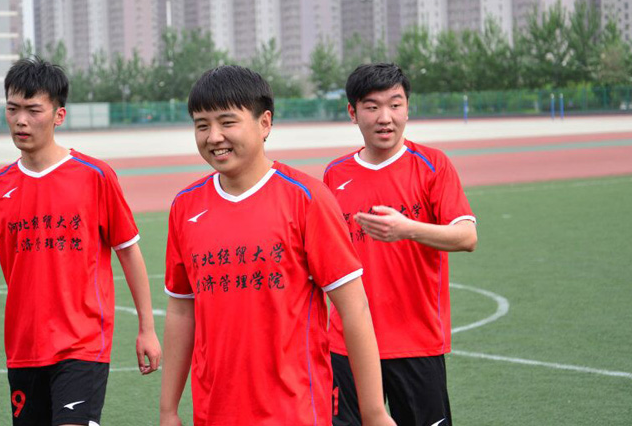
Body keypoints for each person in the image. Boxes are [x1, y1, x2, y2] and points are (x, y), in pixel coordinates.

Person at [159, 65, 395, 426]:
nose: (214, 136)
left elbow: (354, 309)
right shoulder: (185, 206)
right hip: (214, 411)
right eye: (202, 125)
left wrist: (375, 412)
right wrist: (168, 410)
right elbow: (181, 311)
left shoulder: (307, 198)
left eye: (227, 122)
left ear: (265, 123)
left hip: (294, 411)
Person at [0, 57, 161, 426]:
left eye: (33, 110)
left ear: (59, 116)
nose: (20, 120)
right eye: (13, 109)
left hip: (82, 345)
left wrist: (147, 329)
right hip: (24, 348)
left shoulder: (95, 176)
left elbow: (129, 252)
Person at [324, 63, 477, 426]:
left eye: (395, 104)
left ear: (408, 108)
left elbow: (466, 236)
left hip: (415, 340)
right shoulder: (335, 174)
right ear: (352, 112)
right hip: (347, 342)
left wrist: (407, 229)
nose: (385, 117)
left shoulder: (432, 165)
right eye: (372, 106)